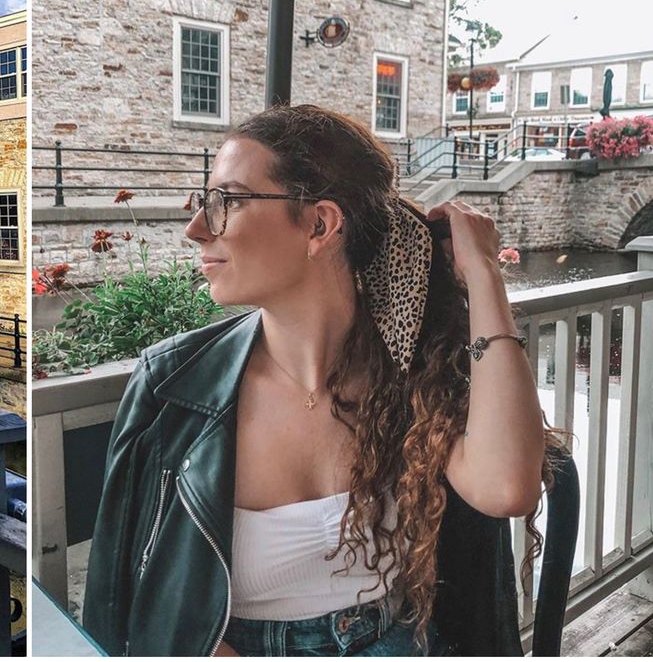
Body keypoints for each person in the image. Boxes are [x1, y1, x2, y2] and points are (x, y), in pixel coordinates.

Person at [82, 105, 566, 656]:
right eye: (203, 201)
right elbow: (123, 592)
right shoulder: (172, 385)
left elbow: (507, 488)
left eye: (226, 202)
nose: (196, 229)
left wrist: (484, 275)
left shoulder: (414, 368)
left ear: (319, 225)